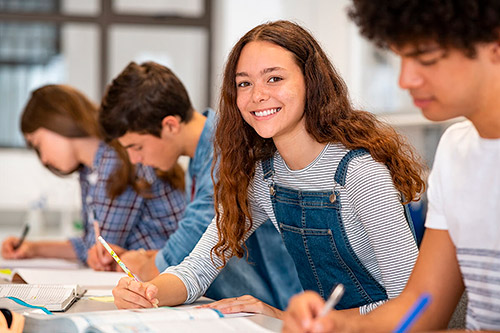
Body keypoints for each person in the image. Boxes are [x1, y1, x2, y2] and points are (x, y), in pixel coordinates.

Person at [110, 20, 425, 318]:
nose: (257, 95)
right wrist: (147, 292)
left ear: (310, 82)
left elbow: (412, 304)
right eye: (244, 83)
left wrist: (287, 318)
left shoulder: (360, 174)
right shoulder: (262, 176)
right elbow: (198, 267)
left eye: (274, 78)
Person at [282, 1, 500, 332]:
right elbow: (421, 307)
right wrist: (335, 325)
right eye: (400, 57)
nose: (405, 79)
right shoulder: (457, 151)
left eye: (426, 58)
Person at [98, 61, 303, 311]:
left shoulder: (226, 156)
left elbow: (174, 258)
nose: (134, 160)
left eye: (136, 147)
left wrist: (142, 261)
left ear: (171, 125)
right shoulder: (201, 155)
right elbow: (196, 257)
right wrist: (142, 260)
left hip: (273, 307)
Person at [1, 84, 186, 266]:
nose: (43, 160)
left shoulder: (117, 161)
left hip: (173, 272)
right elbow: (92, 244)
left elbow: (100, 251)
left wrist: (37, 249)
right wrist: (32, 249)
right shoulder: (91, 169)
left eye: (38, 144)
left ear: (58, 121)